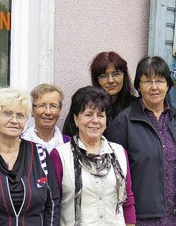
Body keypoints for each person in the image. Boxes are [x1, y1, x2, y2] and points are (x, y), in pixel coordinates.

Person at [107, 56, 176, 226]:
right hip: (141, 220)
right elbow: (113, 178)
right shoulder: (124, 122)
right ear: (138, 85)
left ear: (168, 85)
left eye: (159, 81)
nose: (154, 87)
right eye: (147, 81)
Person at [0, 87, 60, 225]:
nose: (14, 120)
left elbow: (52, 202)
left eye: (20, 115)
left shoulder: (40, 154)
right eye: (7, 114)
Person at [51, 86, 136, 225]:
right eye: (88, 114)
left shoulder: (119, 152)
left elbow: (128, 201)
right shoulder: (60, 155)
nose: (95, 120)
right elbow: (53, 205)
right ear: (76, 119)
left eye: (100, 115)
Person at [63, 51, 137, 136]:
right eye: (103, 76)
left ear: (124, 76)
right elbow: (68, 137)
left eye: (116, 74)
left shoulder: (135, 106)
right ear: (96, 80)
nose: (110, 80)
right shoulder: (84, 103)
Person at [21, 83, 71, 152]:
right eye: (42, 105)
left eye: (53, 106)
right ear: (32, 110)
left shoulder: (70, 145)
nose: (48, 112)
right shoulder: (19, 143)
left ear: (60, 110)